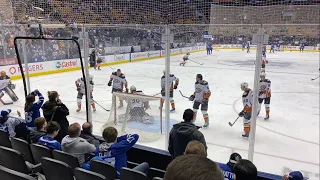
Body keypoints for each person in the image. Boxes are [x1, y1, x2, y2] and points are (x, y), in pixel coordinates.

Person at [83, 127, 149, 177]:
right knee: (145, 165)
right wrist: (118, 138)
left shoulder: (98, 149)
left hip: (107, 175)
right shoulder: (119, 147)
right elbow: (135, 136)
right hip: (121, 176)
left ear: (104, 138)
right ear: (116, 136)